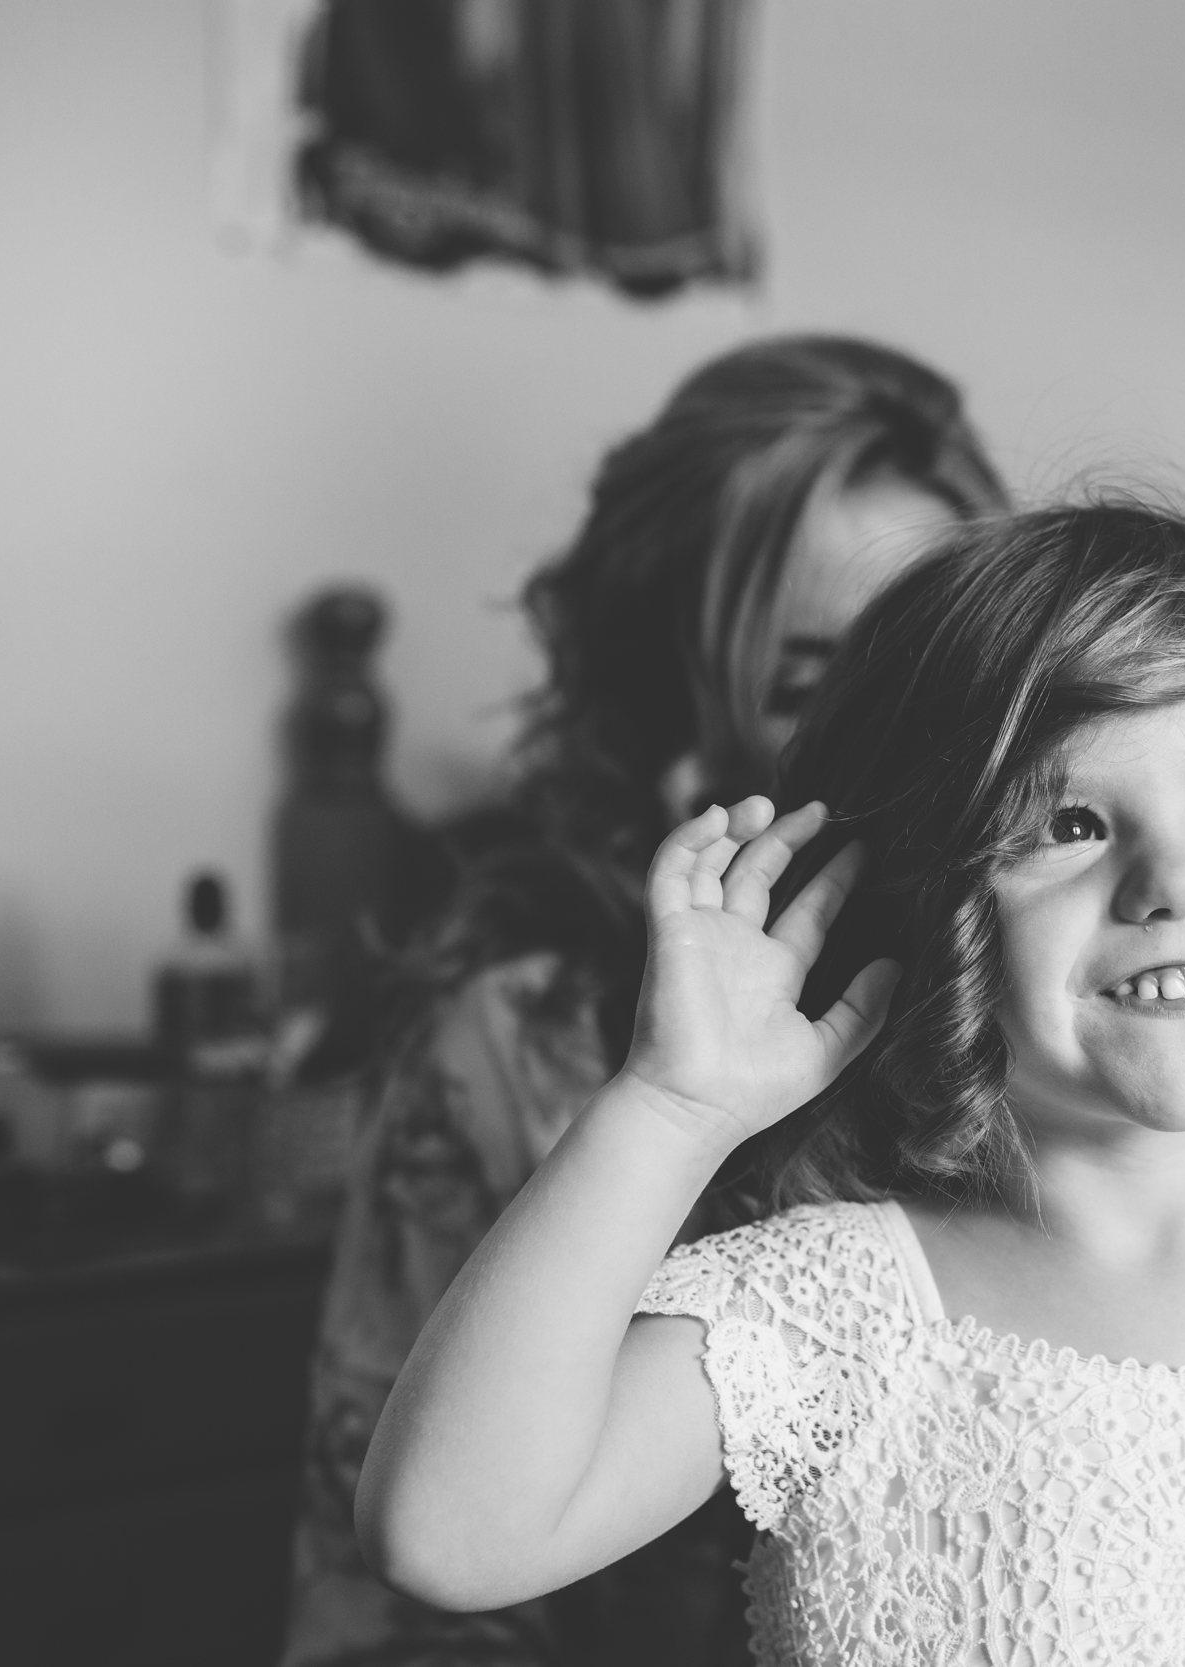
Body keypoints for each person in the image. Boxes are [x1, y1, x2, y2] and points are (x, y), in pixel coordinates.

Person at [352, 502, 1185, 1666]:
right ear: (919, 895)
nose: (1175, 877)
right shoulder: (839, 1315)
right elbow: (452, 1533)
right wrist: (674, 1107)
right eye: (1067, 823)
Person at [282, 335, 1009, 1667]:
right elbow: (398, 1598)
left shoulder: (1074, 1013)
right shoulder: (523, 1046)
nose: (899, 730)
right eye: (808, 678)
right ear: (677, 696)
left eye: (930, 663)